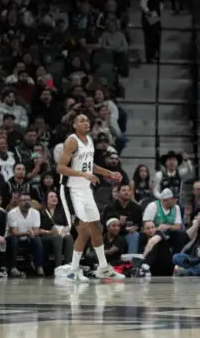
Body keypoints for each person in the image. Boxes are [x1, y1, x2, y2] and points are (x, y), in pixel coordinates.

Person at [56, 114, 125, 281]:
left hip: (85, 189)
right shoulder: (72, 141)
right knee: (84, 229)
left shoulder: (89, 141)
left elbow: (90, 165)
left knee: (97, 227)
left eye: (87, 120)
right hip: (71, 189)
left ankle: (103, 268)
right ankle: (73, 271)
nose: (86, 122)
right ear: (74, 125)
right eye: (81, 120)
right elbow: (60, 168)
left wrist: (109, 173)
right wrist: (84, 175)